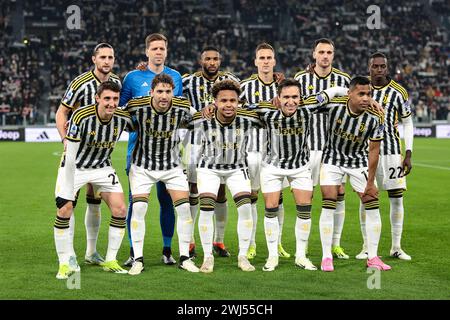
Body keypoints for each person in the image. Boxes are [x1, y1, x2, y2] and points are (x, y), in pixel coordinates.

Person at [248, 79, 348, 272]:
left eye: (295, 97)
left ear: (300, 98)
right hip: (272, 167)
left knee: (305, 210)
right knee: (271, 210)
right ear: (278, 98)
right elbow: (241, 107)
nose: (291, 101)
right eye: (286, 97)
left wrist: (365, 98)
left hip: (300, 167)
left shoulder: (309, 106)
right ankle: (272, 256)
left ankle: (301, 256)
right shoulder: (266, 110)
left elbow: (334, 91)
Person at [53, 81, 132, 279]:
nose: (111, 103)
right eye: (107, 98)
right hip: (75, 166)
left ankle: (110, 260)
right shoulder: (81, 116)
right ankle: (64, 263)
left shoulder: (123, 117)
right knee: (64, 209)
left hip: (102, 167)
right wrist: (67, 191)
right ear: (97, 98)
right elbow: (70, 156)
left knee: (121, 209)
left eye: (115, 99)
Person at [124, 74, 199, 275]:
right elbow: (116, 117)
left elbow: (200, 118)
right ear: (151, 92)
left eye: (168, 91)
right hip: (142, 166)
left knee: (184, 210)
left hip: (172, 166)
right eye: (160, 91)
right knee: (139, 207)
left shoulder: (182, 106)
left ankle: (185, 258)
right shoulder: (136, 105)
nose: (164, 96)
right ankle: (137, 259)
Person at [55, 43, 121, 270]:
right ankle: (69, 255)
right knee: (69, 204)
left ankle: (91, 252)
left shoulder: (116, 84)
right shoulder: (79, 83)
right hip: (77, 154)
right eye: (102, 57)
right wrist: (65, 140)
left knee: (95, 203)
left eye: (110, 57)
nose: (107, 61)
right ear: (94, 59)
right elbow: (62, 111)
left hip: (100, 157)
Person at [120, 33, 183, 267]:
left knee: (168, 202)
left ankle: (167, 250)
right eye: (154, 48)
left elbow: (180, 111)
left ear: (166, 51)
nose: (158, 52)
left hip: (168, 153)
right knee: (136, 203)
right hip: (138, 152)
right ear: (147, 51)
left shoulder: (175, 77)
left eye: (162, 48)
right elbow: (121, 109)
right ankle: (133, 251)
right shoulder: (133, 77)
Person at [318, 76, 391, 272]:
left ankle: (373, 256)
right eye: (361, 94)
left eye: (369, 94)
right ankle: (326, 257)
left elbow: (374, 150)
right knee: (329, 201)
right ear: (349, 94)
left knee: (372, 203)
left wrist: (370, 182)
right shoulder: (335, 106)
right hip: (332, 159)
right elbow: (314, 102)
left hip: (358, 161)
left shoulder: (376, 116)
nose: (366, 98)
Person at [189, 80, 262, 273]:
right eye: (223, 101)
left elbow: (267, 112)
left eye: (233, 100)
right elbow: (181, 118)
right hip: (209, 167)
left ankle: (243, 256)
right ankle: (207, 257)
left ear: (239, 101)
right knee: (206, 208)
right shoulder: (202, 118)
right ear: (215, 101)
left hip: (237, 167)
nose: (229, 104)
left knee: (245, 208)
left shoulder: (248, 117)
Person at [294, 38, 351, 260]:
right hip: (307, 148)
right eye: (321, 52)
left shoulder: (344, 80)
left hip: (334, 150)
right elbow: (298, 107)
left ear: (333, 55)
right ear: (314, 54)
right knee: (305, 198)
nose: (325, 56)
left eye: (329, 52)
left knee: (337, 195)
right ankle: (304, 246)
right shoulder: (301, 78)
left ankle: (335, 244)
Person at [182, 46, 240, 258]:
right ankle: (190, 241)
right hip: (195, 140)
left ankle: (219, 240)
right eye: (208, 59)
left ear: (220, 60)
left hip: (223, 142)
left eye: (215, 58)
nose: (212, 62)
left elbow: (241, 101)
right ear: (201, 60)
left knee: (221, 190)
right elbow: (177, 100)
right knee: (193, 189)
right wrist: (196, 113)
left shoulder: (231, 80)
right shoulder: (188, 81)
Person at [356, 52, 413, 260]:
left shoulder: (399, 92)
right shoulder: (361, 89)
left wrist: (408, 152)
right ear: (369, 67)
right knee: (366, 198)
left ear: (387, 68)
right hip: (366, 153)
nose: (379, 70)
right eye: (375, 66)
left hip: (391, 153)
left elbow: (407, 122)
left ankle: (396, 247)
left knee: (396, 199)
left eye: (382, 66)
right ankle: (366, 247)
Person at [240, 42, 290, 260]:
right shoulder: (245, 86)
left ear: (274, 61)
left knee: (277, 199)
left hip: (277, 151)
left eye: (269, 58)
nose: (266, 61)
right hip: (251, 150)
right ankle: (251, 244)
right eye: (262, 58)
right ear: (256, 61)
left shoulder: (283, 87)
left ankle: (277, 243)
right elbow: (237, 111)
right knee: (252, 196)